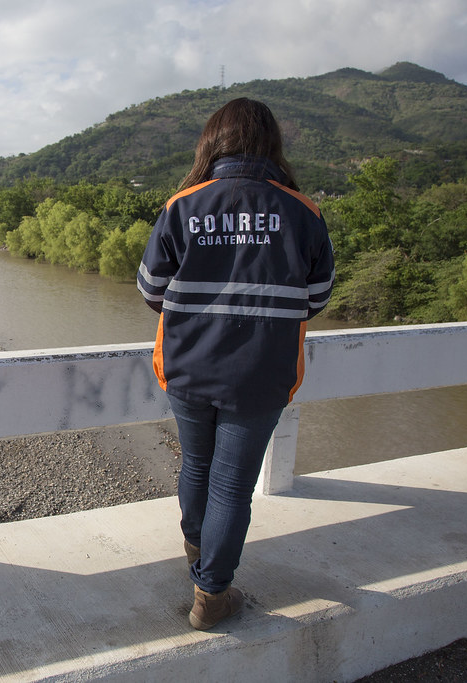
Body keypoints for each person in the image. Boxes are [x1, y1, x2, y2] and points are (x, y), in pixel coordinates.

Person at [137, 98, 334, 630]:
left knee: (197, 468)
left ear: (211, 142)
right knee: (230, 486)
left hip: (187, 368)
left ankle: (197, 561)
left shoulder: (183, 205)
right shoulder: (303, 211)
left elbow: (151, 289)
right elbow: (316, 299)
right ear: (272, 145)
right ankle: (212, 596)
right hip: (261, 375)